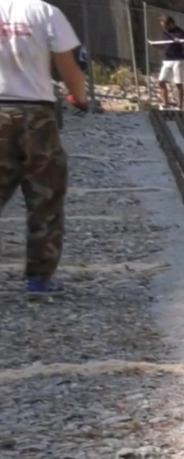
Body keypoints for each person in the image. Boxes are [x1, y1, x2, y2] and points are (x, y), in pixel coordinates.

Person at [0, 0, 89, 298]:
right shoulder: (45, 12)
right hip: (36, 115)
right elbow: (68, 67)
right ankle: (38, 280)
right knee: (45, 196)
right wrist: (80, 98)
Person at [155, 14, 184, 109]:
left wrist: (180, 42)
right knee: (161, 82)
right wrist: (157, 46)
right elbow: (165, 45)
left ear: (171, 24)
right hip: (167, 60)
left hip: (178, 60)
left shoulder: (181, 32)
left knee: (178, 83)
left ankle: (180, 105)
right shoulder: (165, 33)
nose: (164, 27)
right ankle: (165, 104)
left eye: (165, 25)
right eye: (162, 25)